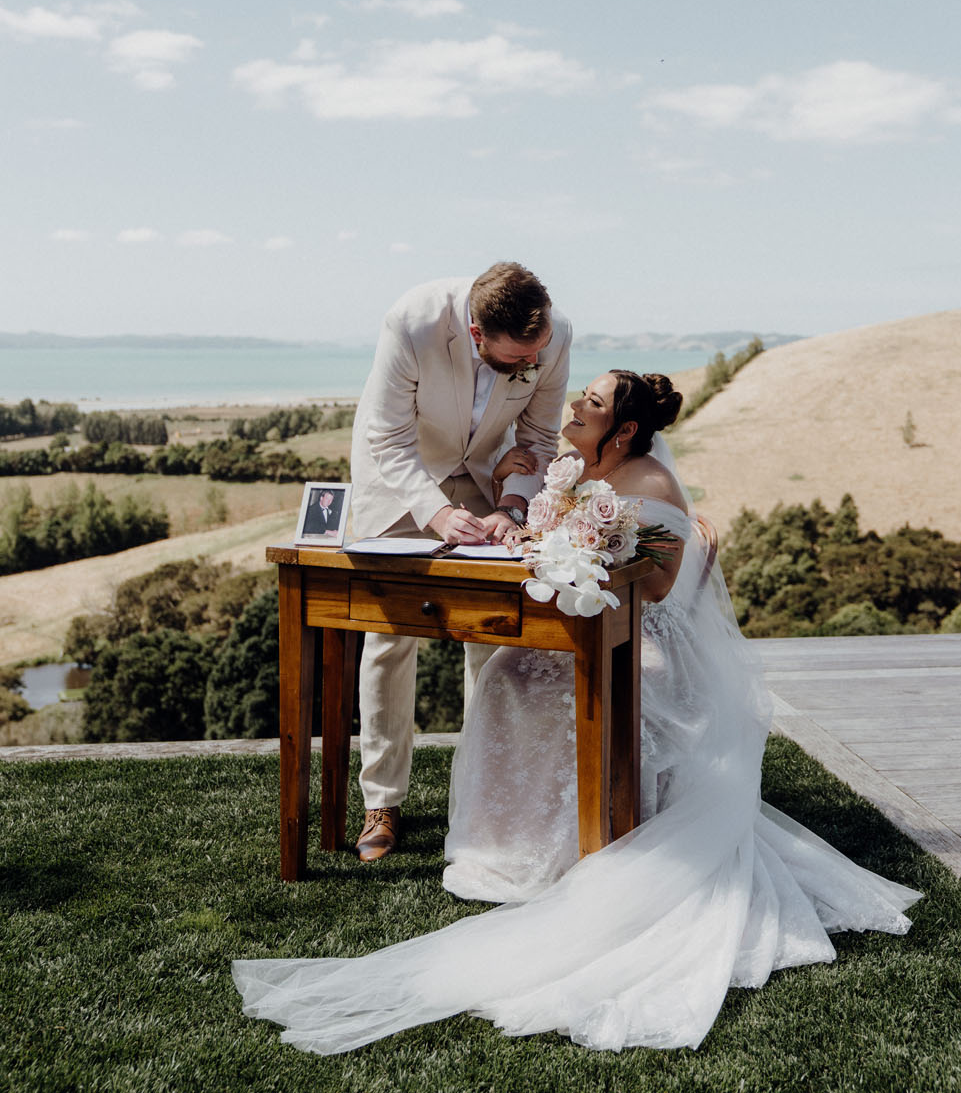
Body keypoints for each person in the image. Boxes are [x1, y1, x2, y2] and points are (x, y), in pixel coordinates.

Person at [234, 369, 921, 1055]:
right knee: (506, 672)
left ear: (621, 431)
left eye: (589, 404)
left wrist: (594, 545)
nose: (573, 407)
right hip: (586, 624)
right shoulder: (573, 468)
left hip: (648, 646)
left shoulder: (649, 484)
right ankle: (504, 851)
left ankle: (571, 850)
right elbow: (547, 539)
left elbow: (654, 589)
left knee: (532, 684)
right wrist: (533, 516)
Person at [347, 262, 571, 862]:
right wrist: (436, 514)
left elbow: (542, 438)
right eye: (517, 360)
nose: (531, 366)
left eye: (537, 354)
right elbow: (388, 439)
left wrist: (512, 506)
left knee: (494, 634)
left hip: (488, 474)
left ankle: (484, 797)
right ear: (476, 334)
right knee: (389, 637)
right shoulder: (411, 321)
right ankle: (382, 801)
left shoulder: (552, 335)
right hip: (400, 482)